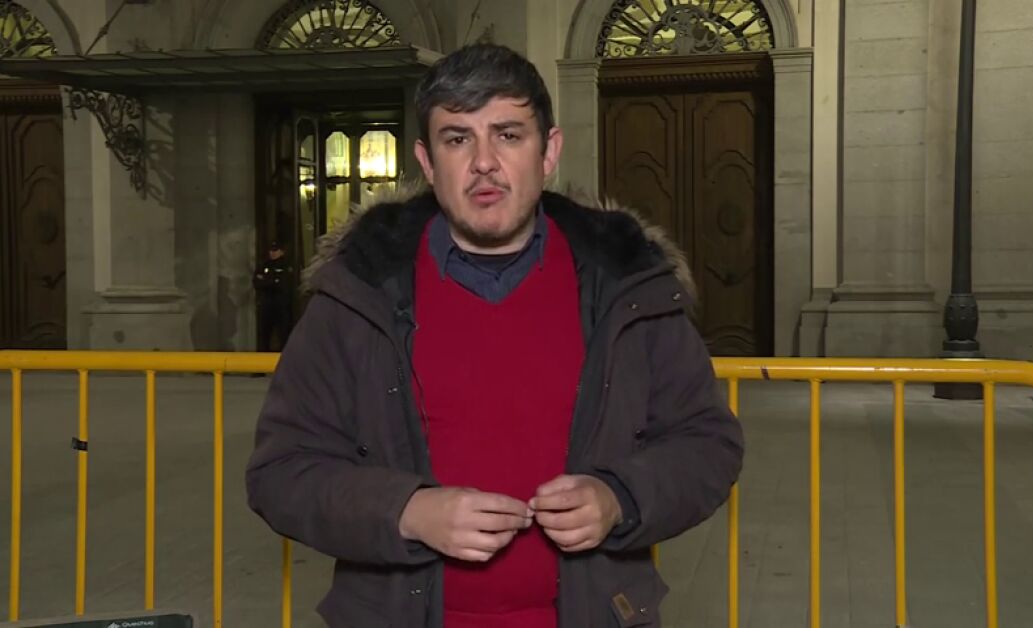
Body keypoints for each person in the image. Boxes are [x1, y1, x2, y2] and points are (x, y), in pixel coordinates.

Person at [246, 43, 743, 628]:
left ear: (548, 151)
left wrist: (620, 498)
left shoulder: (628, 286)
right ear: (428, 163)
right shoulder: (358, 294)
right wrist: (407, 511)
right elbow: (281, 471)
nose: (484, 162)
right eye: (458, 139)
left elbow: (708, 444)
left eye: (508, 135)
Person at [252, 241, 294, 352]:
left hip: (281, 305)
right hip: (267, 305)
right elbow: (257, 282)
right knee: (265, 334)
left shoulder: (286, 265)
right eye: (271, 250)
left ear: (282, 252)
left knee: (283, 333)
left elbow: (284, 284)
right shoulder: (264, 265)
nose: (273, 253)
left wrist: (268, 281)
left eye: (275, 250)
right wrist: (272, 281)